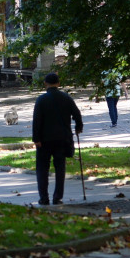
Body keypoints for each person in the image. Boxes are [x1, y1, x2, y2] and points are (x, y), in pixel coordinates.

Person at [32, 72, 83, 206]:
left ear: (45, 84)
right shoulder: (66, 98)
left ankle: (44, 198)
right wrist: (78, 127)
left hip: (44, 140)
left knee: (42, 169)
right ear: (58, 83)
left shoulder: (41, 100)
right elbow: (77, 114)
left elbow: (36, 120)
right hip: (62, 138)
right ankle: (57, 197)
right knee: (60, 168)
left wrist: (36, 138)